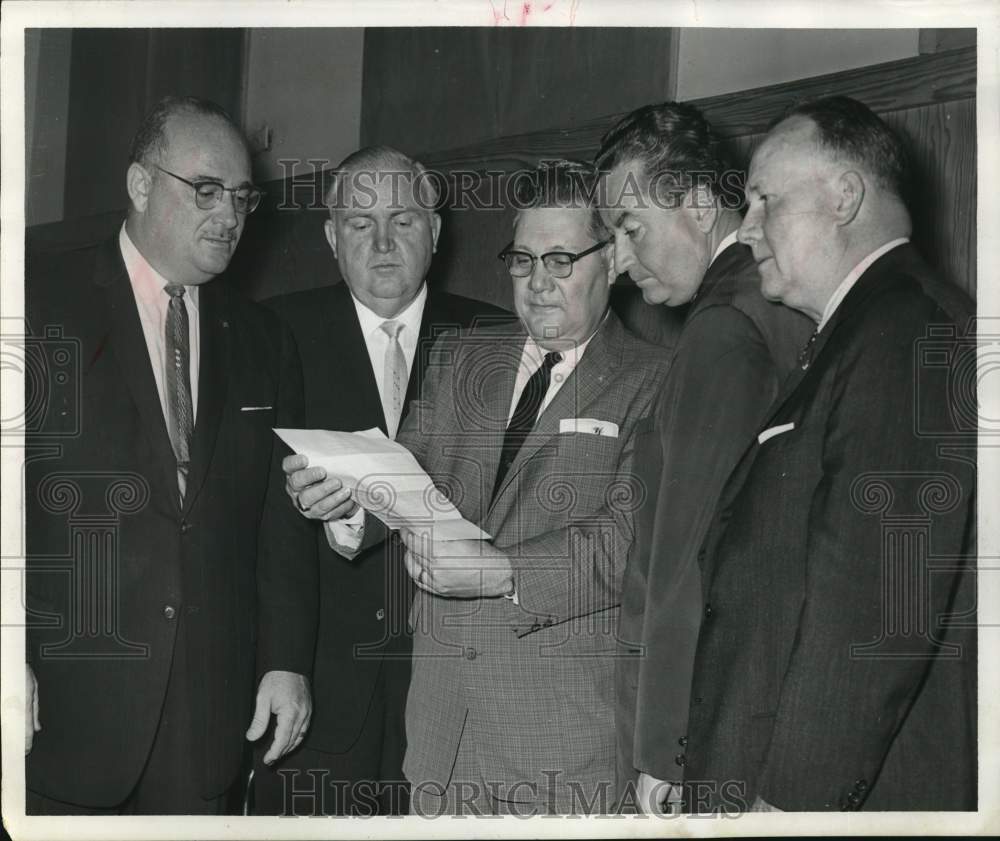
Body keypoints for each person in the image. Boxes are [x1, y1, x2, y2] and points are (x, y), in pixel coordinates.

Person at [289, 160, 670, 814]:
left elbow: (629, 543)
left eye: (560, 259)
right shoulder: (463, 355)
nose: (538, 284)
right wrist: (349, 501)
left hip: (562, 748)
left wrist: (501, 572)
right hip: (441, 734)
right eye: (522, 260)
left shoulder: (657, 380)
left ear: (614, 258)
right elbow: (406, 476)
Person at [24, 96, 316, 815]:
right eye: (206, 190)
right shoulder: (36, 300)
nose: (230, 216)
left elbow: (279, 521)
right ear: (140, 184)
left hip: (208, 721)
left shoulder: (265, 340)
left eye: (242, 197)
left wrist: (285, 659)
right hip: (61, 709)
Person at [683, 95, 976, 811]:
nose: (747, 231)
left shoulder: (905, 328)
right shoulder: (864, 327)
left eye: (764, 201)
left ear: (844, 196)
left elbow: (878, 604)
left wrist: (788, 805)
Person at [256, 146, 510, 815]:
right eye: (360, 222)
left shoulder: (499, 337)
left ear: (435, 229)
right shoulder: (274, 332)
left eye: (402, 218)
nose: (383, 241)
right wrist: (279, 662)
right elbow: (262, 527)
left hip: (461, 690)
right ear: (332, 237)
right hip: (320, 687)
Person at [593, 102, 813, 813]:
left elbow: (685, 558)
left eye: (630, 230)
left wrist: (664, 749)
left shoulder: (723, 328)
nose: (620, 264)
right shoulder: (775, 301)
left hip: (715, 730)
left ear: (694, 203)